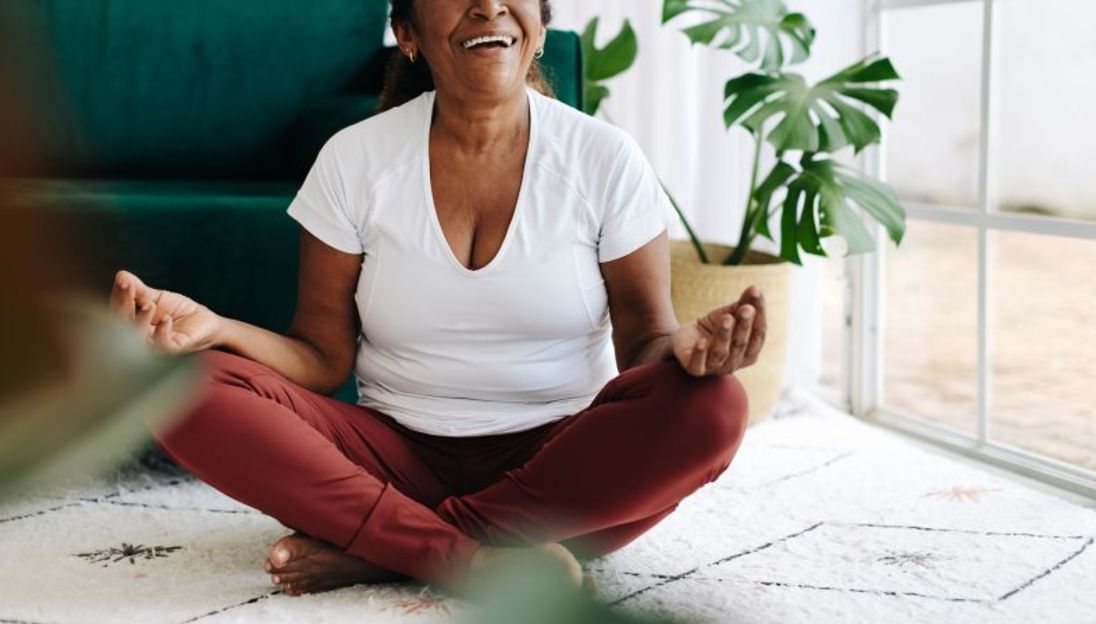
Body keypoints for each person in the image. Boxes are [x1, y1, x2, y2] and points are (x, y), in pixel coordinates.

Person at [107, 0, 766, 598]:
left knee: (712, 406)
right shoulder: (355, 159)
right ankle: (469, 555)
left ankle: (389, 549)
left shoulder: (605, 158)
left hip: (561, 468)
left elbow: (645, 348)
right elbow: (320, 357)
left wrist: (687, 350)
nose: (487, 6)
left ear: (538, 25)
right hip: (392, 459)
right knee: (172, 385)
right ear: (408, 33)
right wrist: (215, 328)